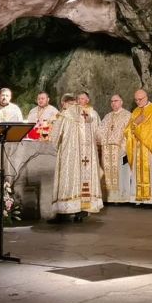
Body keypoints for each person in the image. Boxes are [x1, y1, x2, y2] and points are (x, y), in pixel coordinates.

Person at [50, 93, 104, 221]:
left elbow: (56, 134)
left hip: (77, 154)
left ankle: (78, 211)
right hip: (78, 154)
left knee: (72, 180)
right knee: (72, 179)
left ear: (88, 100)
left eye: (84, 98)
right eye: (79, 98)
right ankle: (70, 211)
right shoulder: (89, 114)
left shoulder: (84, 113)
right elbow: (99, 135)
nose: (81, 101)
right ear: (76, 100)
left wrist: (56, 145)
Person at [125, 89, 152, 207]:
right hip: (138, 148)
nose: (138, 102)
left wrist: (137, 126)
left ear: (146, 97)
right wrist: (135, 124)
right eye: (136, 100)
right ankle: (140, 199)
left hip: (151, 149)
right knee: (138, 172)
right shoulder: (135, 112)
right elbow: (127, 130)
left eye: (140, 99)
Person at [98, 94, 133, 203]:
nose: (113, 103)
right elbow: (100, 130)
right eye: (112, 101)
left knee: (122, 173)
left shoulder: (128, 115)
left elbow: (130, 134)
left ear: (121, 102)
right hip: (107, 150)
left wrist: (124, 147)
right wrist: (101, 141)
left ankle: (123, 198)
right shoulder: (108, 116)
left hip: (121, 150)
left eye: (116, 101)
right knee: (108, 173)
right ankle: (109, 198)